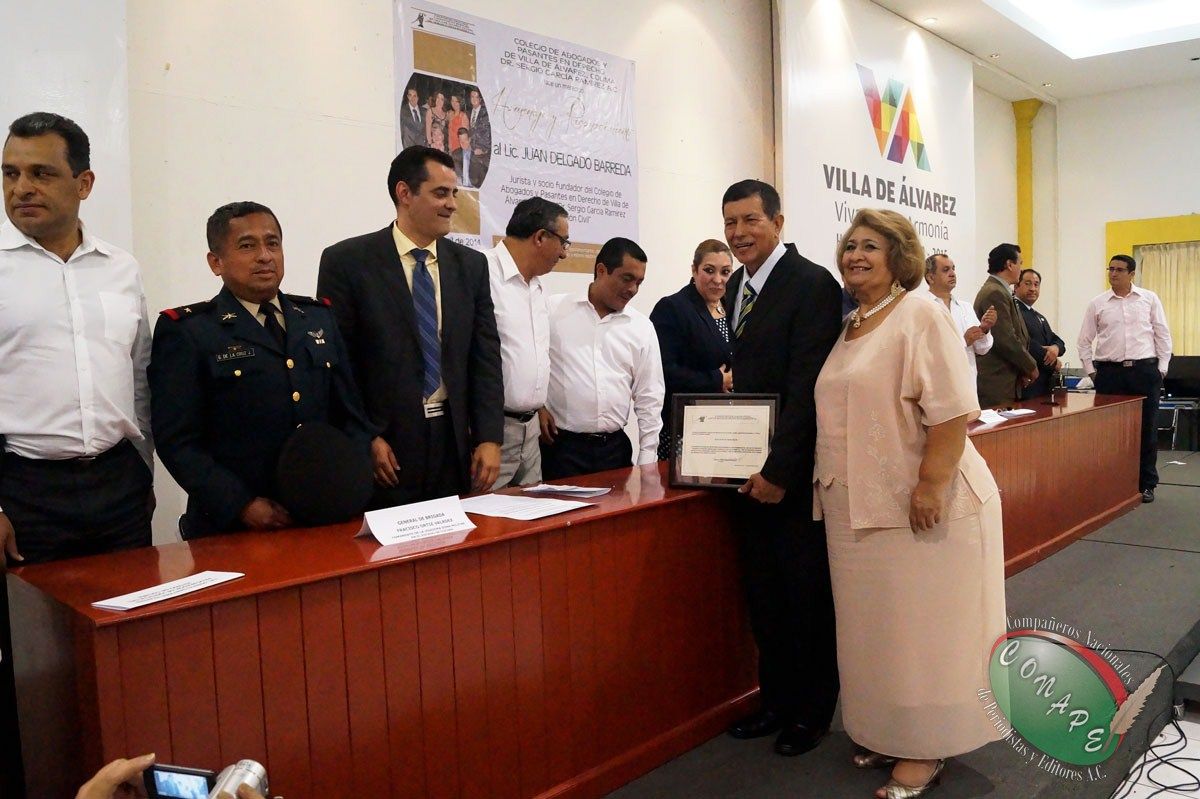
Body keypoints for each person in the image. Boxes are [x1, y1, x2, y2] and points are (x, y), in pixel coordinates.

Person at [817, 209, 1004, 799]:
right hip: (856, 510)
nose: (856, 255)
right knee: (876, 635)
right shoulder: (851, 323)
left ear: (899, 256)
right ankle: (889, 731)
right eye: (850, 245)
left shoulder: (921, 313)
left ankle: (926, 746)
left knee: (925, 636)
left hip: (922, 504)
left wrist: (930, 485)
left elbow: (951, 410)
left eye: (870, 246)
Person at [149, 202, 378, 538]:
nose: (264, 256)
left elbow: (350, 415)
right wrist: (241, 504)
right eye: (247, 246)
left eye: (273, 243)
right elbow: (177, 442)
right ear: (216, 262)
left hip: (320, 515)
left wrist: (350, 486)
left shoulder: (317, 318)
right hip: (234, 526)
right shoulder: (190, 331)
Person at [720, 179, 842, 757]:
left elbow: (807, 389)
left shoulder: (811, 284)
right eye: (730, 222)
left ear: (778, 222)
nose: (739, 233)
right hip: (746, 474)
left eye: (751, 220)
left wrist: (778, 472)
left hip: (790, 477)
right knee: (764, 595)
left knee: (804, 597)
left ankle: (812, 712)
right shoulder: (738, 285)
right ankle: (775, 701)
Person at [0, 111, 154, 566]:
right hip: (25, 492)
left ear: (83, 183)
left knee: (130, 607)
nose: (21, 188)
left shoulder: (121, 268)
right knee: (36, 615)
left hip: (119, 485)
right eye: (10, 173)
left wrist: (143, 470)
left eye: (41, 173)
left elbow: (138, 375)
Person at [317, 146, 503, 505]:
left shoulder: (470, 266)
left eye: (454, 194)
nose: (452, 205)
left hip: (453, 442)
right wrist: (364, 436)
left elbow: (485, 357)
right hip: (386, 447)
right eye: (440, 193)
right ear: (404, 193)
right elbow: (338, 364)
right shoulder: (348, 262)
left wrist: (489, 437)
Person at [538, 237, 664, 479]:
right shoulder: (554, 311)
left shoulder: (641, 327)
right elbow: (531, 364)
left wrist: (648, 460)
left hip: (614, 452)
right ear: (601, 270)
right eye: (627, 278)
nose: (633, 290)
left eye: (639, 282)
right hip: (561, 449)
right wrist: (538, 407)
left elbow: (650, 397)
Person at [486, 196, 569, 488]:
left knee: (534, 514)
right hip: (493, 433)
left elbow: (527, 355)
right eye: (563, 242)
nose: (564, 254)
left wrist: (538, 404)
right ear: (540, 237)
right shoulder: (482, 272)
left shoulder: (537, 285)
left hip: (532, 432)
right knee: (488, 513)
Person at [1078, 254, 1172, 503]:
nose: (1113, 273)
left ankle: (1146, 484)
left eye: (1120, 270)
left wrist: (1162, 369)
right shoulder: (1098, 303)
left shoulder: (1149, 299)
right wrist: (1091, 372)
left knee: (1146, 429)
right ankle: (1113, 483)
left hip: (1144, 372)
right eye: (1110, 269)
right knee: (1110, 432)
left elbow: (1162, 334)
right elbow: (1084, 340)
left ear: (1132, 274)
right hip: (1109, 374)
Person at [649, 239, 735, 460]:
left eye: (725, 272)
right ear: (694, 270)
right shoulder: (672, 307)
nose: (718, 280)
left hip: (728, 423)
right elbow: (663, 371)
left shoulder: (734, 306)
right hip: (686, 426)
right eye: (709, 270)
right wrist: (717, 380)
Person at [973, 243, 1038, 407]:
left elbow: (1018, 335)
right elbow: (1005, 339)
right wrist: (1030, 366)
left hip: (1007, 381)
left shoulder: (1002, 291)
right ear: (1009, 264)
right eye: (1020, 263)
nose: (1021, 269)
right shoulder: (995, 292)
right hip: (996, 383)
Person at [923, 253, 996, 382]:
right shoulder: (921, 307)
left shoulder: (965, 307)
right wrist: (963, 342)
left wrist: (984, 329)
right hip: (937, 383)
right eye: (945, 270)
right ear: (930, 277)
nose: (952, 274)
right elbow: (924, 351)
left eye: (953, 269)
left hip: (967, 383)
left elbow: (982, 349)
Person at [1014, 268, 1066, 399]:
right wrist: (1054, 362)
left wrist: (1055, 348)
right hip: (1027, 382)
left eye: (1036, 284)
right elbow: (1025, 343)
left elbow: (1058, 341)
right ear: (1016, 286)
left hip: (1044, 385)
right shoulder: (1015, 311)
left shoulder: (1038, 316)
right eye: (1028, 283)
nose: (1033, 289)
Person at [468, 88, 491, 167]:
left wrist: (484, 150)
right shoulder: (468, 112)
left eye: (476, 97)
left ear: (480, 99)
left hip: (483, 154)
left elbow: (489, 133)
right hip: (471, 152)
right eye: (472, 96)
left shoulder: (486, 113)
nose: (474, 99)